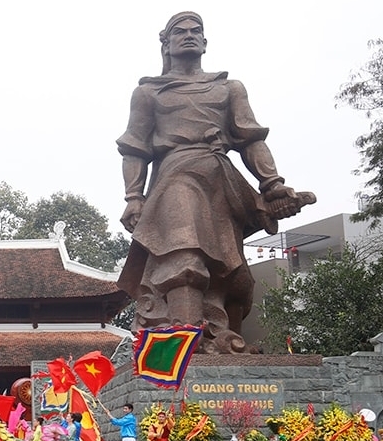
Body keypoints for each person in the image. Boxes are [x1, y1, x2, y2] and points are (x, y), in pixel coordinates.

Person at [116, 11, 315, 354]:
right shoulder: (149, 92)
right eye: (180, 32)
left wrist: (272, 184)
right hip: (176, 177)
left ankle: (221, 340)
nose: (190, 35)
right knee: (184, 256)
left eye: (197, 31)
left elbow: (250, 140)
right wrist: (134, 196)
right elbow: (135, 147)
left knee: (232, 275)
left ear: (205, 42)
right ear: (166, 43)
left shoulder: (229, 88)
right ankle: (183, 346)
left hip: (221, 182)